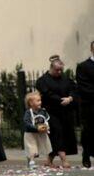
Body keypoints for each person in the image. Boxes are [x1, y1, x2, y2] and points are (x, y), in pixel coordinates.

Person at [36, 56, 78, 168]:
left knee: (61, 135)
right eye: (57, 70)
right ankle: (64, 160)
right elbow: (47, 94)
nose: (59, 72)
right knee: (57, 133)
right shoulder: (42, 80)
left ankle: (49, 161)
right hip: (51, 112)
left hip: (65, 112)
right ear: (51, 68)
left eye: (61, 70)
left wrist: (70, 98)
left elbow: (74, 89)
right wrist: (61, 100)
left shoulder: (65, 78)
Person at [22, 91, 52, 170]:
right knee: (32, 148)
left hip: (40, 133)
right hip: (30, 134)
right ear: (31, 103)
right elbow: (26, 122)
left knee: (39, 148)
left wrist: (46, 127)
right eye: (38, 101)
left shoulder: (43, 111)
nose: (40, 102)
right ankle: (32, 162)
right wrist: (36, 128)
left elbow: (46, 120)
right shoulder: (28, 112)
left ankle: (30, 161)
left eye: (40, 100)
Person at [78, 41, 94, 169]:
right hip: (90, 105)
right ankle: (86, 154)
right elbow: (83, 87)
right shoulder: (83, 66)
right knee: (89, 130)